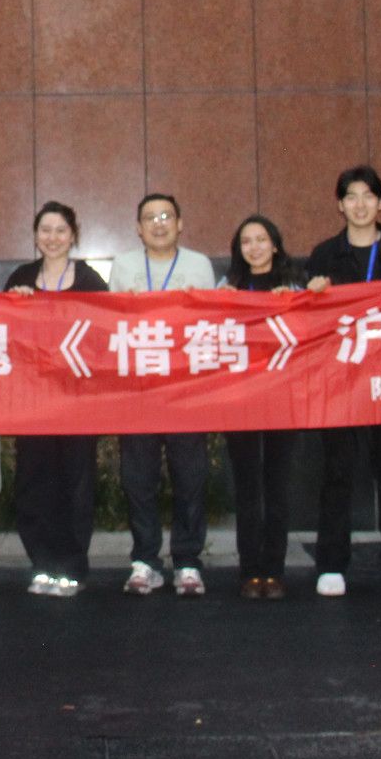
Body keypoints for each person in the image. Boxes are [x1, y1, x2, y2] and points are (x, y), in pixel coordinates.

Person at [304, 164, 381, 598]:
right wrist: (311, 293)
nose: (360, 205)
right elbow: (308, 318)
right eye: (351, 197)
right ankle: (331, 565)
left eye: (368, 196)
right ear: (340, 205)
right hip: (340, 382)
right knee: (337, 473)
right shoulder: (324, 255)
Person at [106, 193, 217, 597]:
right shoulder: (124, 266)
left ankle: (187, 561)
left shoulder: (199, 265)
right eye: (150, 218)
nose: (158, 223)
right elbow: (112, 322)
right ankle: (145, 560)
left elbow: (210, 321)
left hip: (186, 391)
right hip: (138, 391)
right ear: (138, 228)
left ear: (180, 223)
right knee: (138, 479)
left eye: (166, 216)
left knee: (190, 477)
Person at [4, 201, 107, 599]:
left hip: (79, 402)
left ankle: (73, 566)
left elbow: (106, 333)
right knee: (34, 482)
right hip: (32, 401)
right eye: (45, 230)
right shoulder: (21, 277)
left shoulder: (90, 280)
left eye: (61, 230)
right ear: (35, 236)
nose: (52, 238)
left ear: (73, 236)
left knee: (76, 484)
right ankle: (43, 564)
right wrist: (13, 302)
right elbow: (1, 334)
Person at [219, 214, 302, 601]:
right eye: (246, 241)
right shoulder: (228, 287)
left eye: (261, 239)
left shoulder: (294, 285)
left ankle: (275, 569)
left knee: (277, 485)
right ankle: (250, 570)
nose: (254, 247)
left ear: (275, 244)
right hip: (240, 400)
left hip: (283, 397)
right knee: (248, 487)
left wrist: (309, 298)